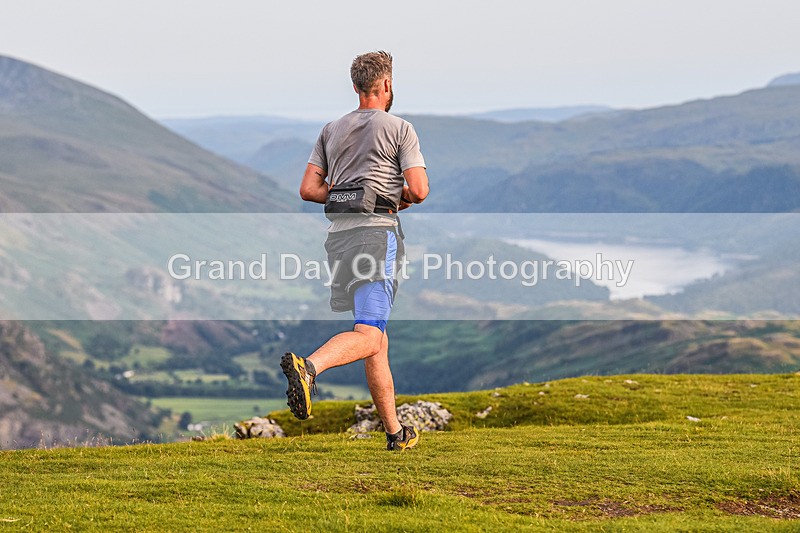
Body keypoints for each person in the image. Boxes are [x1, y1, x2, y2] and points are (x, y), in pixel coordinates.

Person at [280, 51, 429, 451]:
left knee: (375, 337)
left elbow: (309, 189)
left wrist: (349, 195)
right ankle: (309, 368)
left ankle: (395, 433)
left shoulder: (331, 130)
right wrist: (384, 197)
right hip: (376, 236)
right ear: (386, 85)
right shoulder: (400, 128)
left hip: (340, 239)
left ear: (355, 86)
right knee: (368, 332)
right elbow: (418, 189)